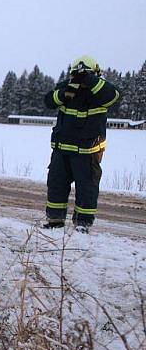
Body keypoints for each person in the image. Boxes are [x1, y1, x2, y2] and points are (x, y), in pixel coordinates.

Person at [43, 55, 120, 233]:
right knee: (56, 184)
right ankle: (55, 219)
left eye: (82, 75)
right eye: (76, 74)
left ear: (94, 75)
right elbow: (49, 101)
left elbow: (113, 96)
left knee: (87, 188)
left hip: (88, 152)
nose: (78, 78)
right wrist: (64, 93)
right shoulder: (66, 88)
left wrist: (88, 79)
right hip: (62, 151)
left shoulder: (100, 92)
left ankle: (83, 223)